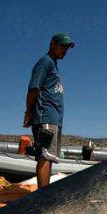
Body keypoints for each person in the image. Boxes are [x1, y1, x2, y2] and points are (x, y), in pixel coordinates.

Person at [23, 33, 74, 188]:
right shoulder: (45, 62)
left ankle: (43, 192)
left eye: (67, 48)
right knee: (45, 156)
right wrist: (29, 111)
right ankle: (42, 196)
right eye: (62, 46)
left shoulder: (53, 64)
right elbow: (33, 88)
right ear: (52, 43)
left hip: (54, 119)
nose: (64, 50)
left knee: (49, 156)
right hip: (46, 116)